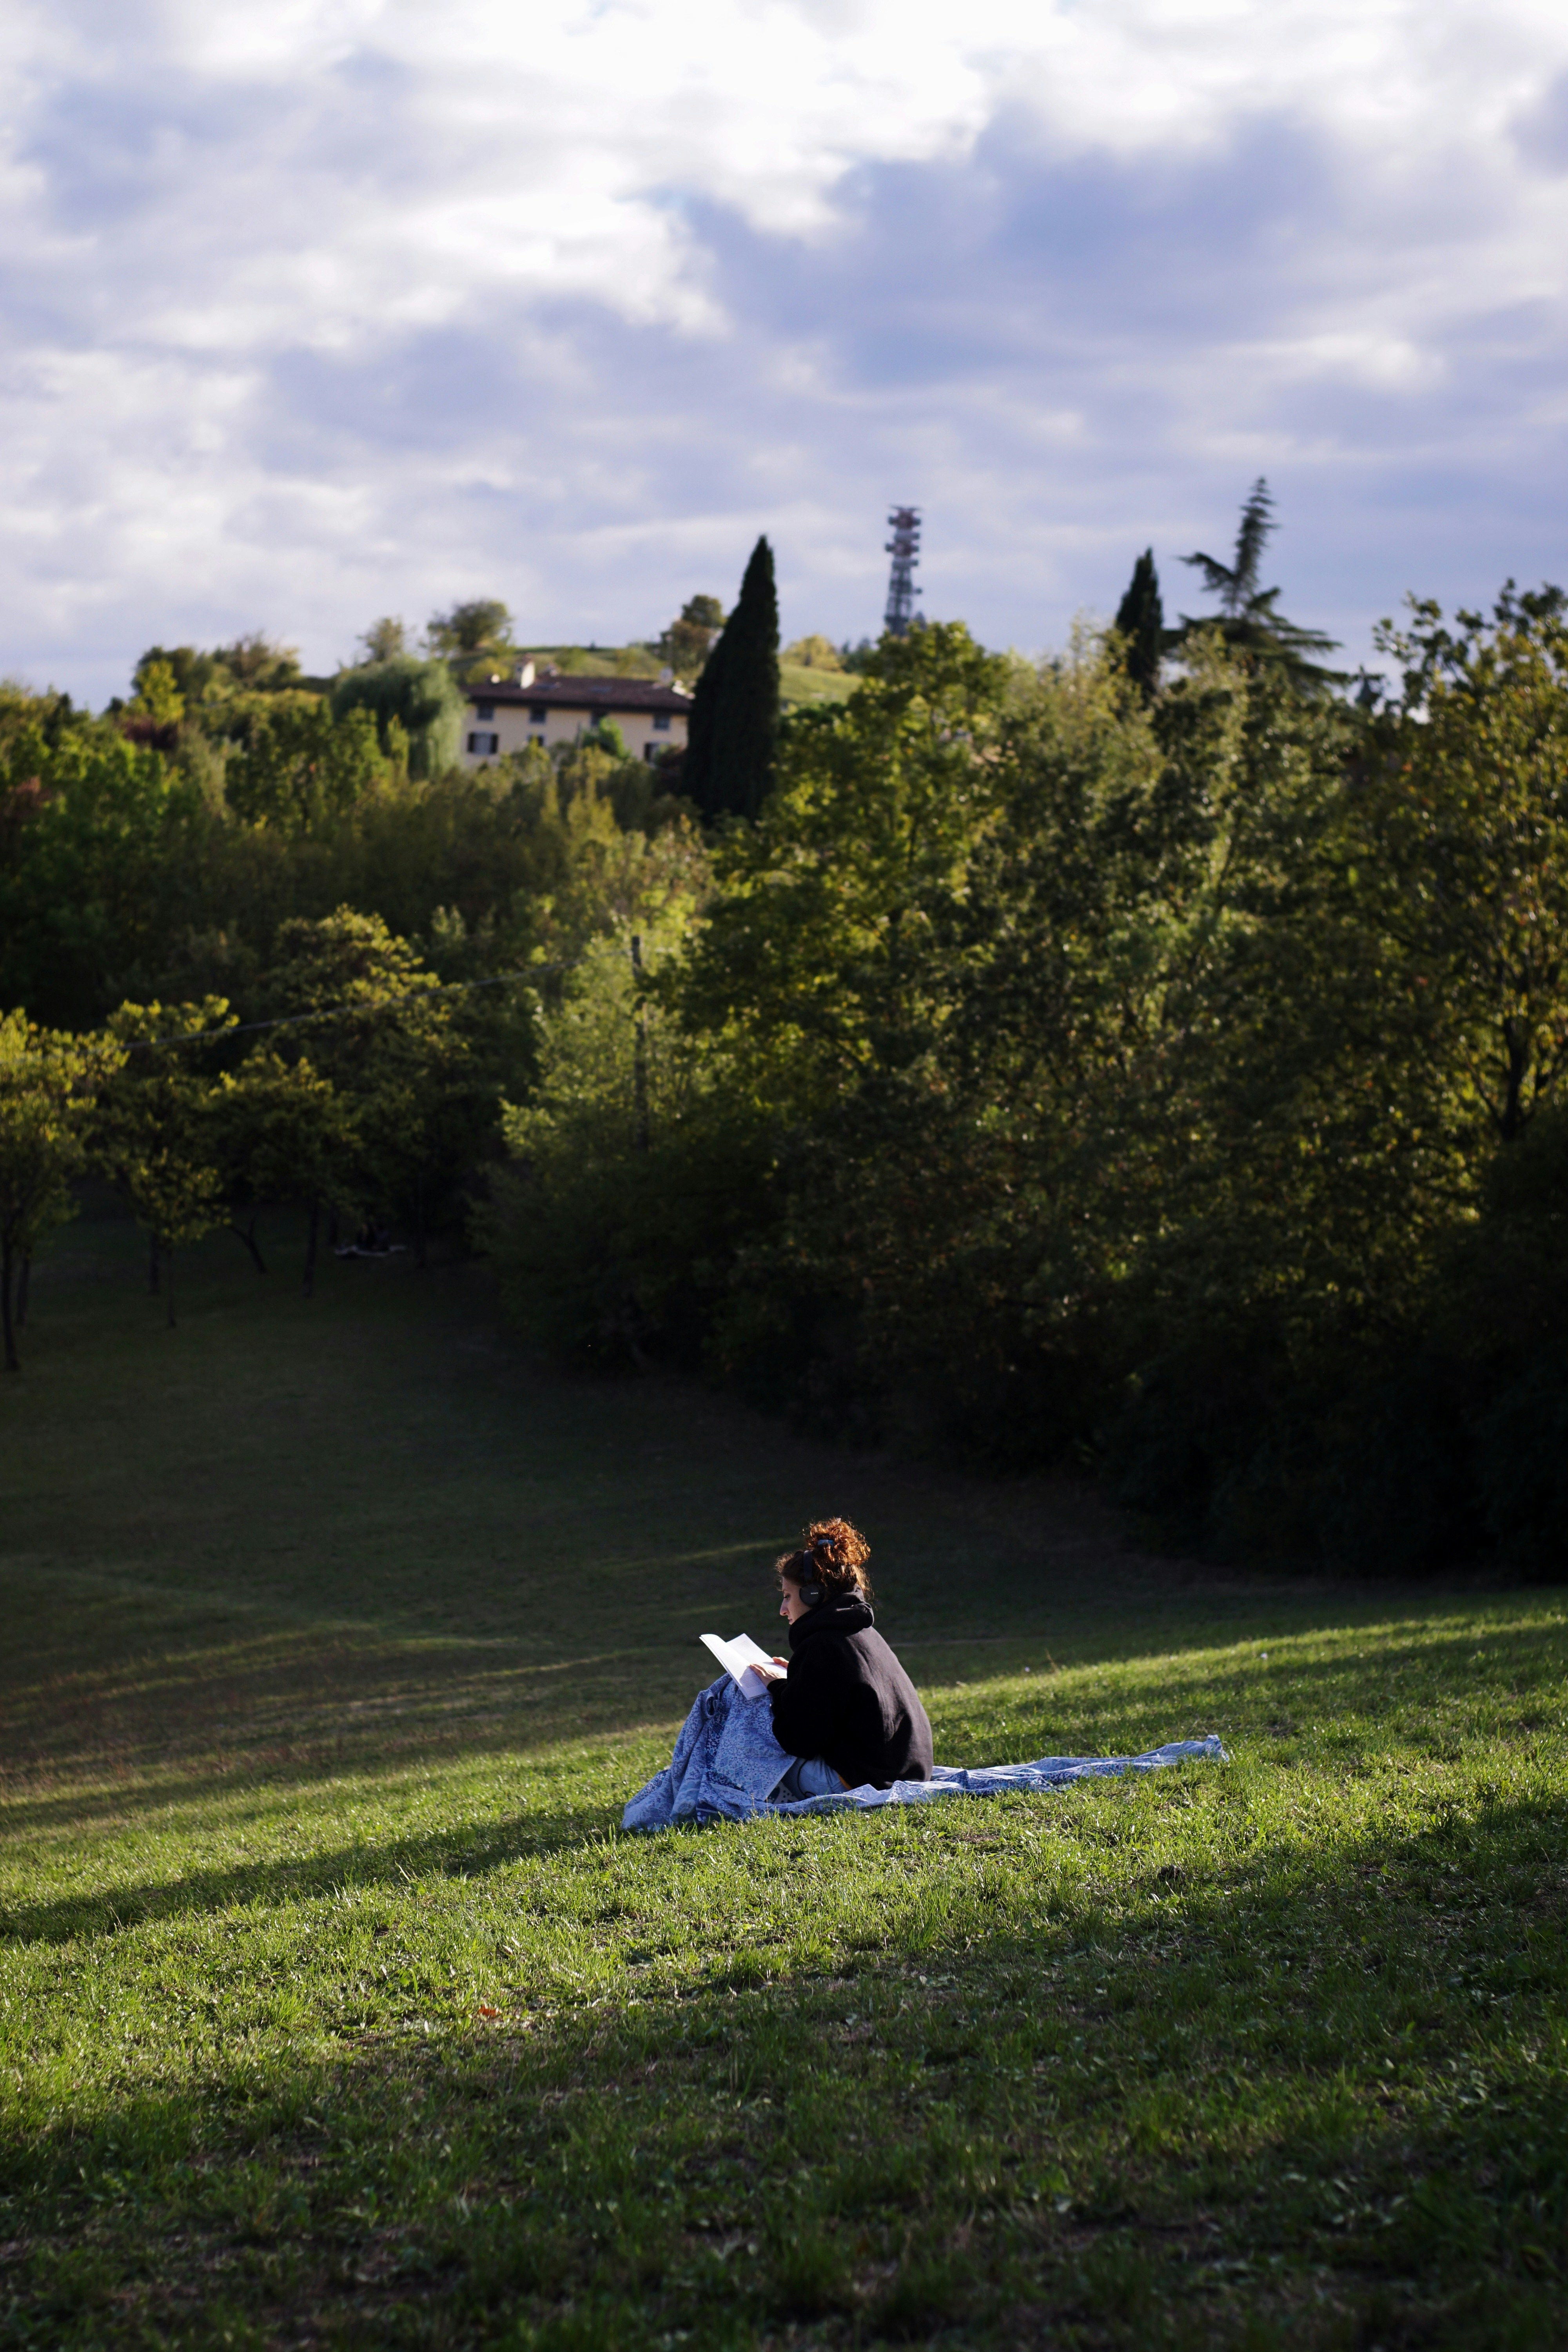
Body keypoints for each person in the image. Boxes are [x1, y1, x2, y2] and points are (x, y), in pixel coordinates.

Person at [752, 1517, 933, 1799]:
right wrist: (798, 1682)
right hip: (905, 1775)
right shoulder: (859, 1632)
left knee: (748, 1724)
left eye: (788, 1596)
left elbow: (798, 1741)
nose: (783, 1609)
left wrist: (777, 1688)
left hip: (862, 1783)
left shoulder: (822, 1646)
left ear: (813, 1596)